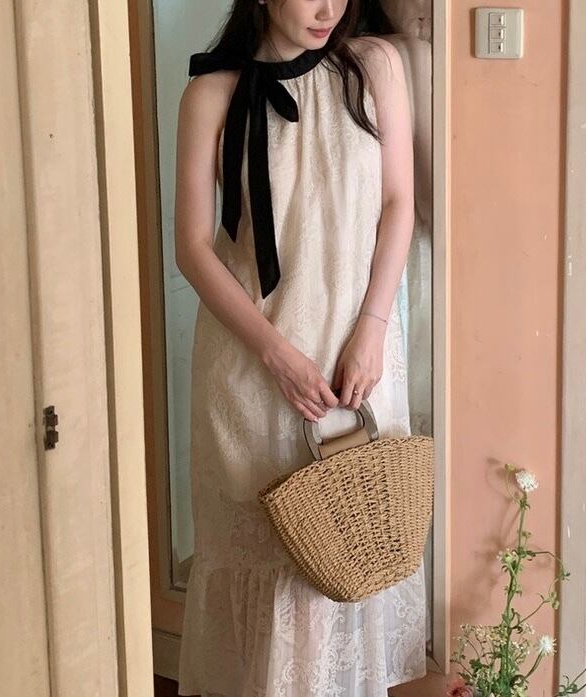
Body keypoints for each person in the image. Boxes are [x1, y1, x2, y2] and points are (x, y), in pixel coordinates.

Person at [174, 1, 426, 695]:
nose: (328, 9)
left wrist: (373, 326)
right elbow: (193, 247)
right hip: (252, 368)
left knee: (347, 550)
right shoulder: (210, 93)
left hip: (356, 360)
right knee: (271, 565)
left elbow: (399, 203)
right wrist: (275, 356)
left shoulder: (374, 66)